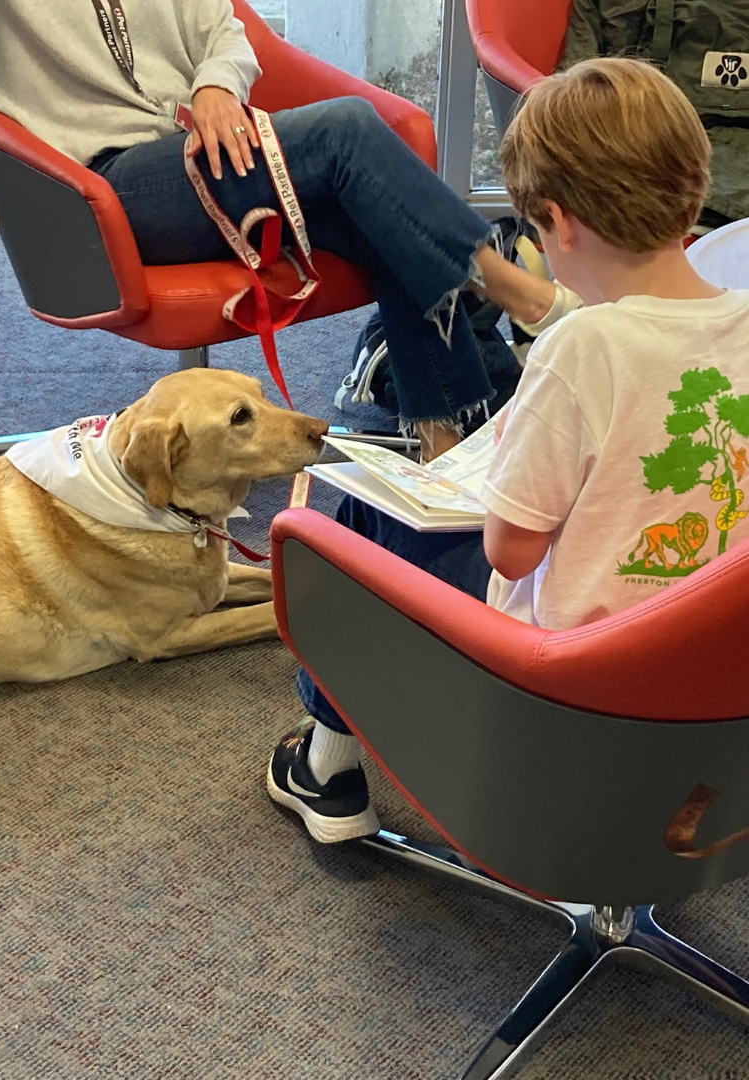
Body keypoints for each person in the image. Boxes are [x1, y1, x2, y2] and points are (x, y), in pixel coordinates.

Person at [267, 57, 749, 844]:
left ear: (558, 223)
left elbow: (513, 552)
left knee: (362, 516)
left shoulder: (586, 346)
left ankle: (324, 767)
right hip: (715, 683)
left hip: (573, 684)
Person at [0, 0, 570, 462]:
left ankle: (441, 448)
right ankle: (520, 293)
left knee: (382, 215)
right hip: (98, 191)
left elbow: (227, 30)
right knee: (347, 129)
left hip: (201, 159)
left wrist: (217, 86)